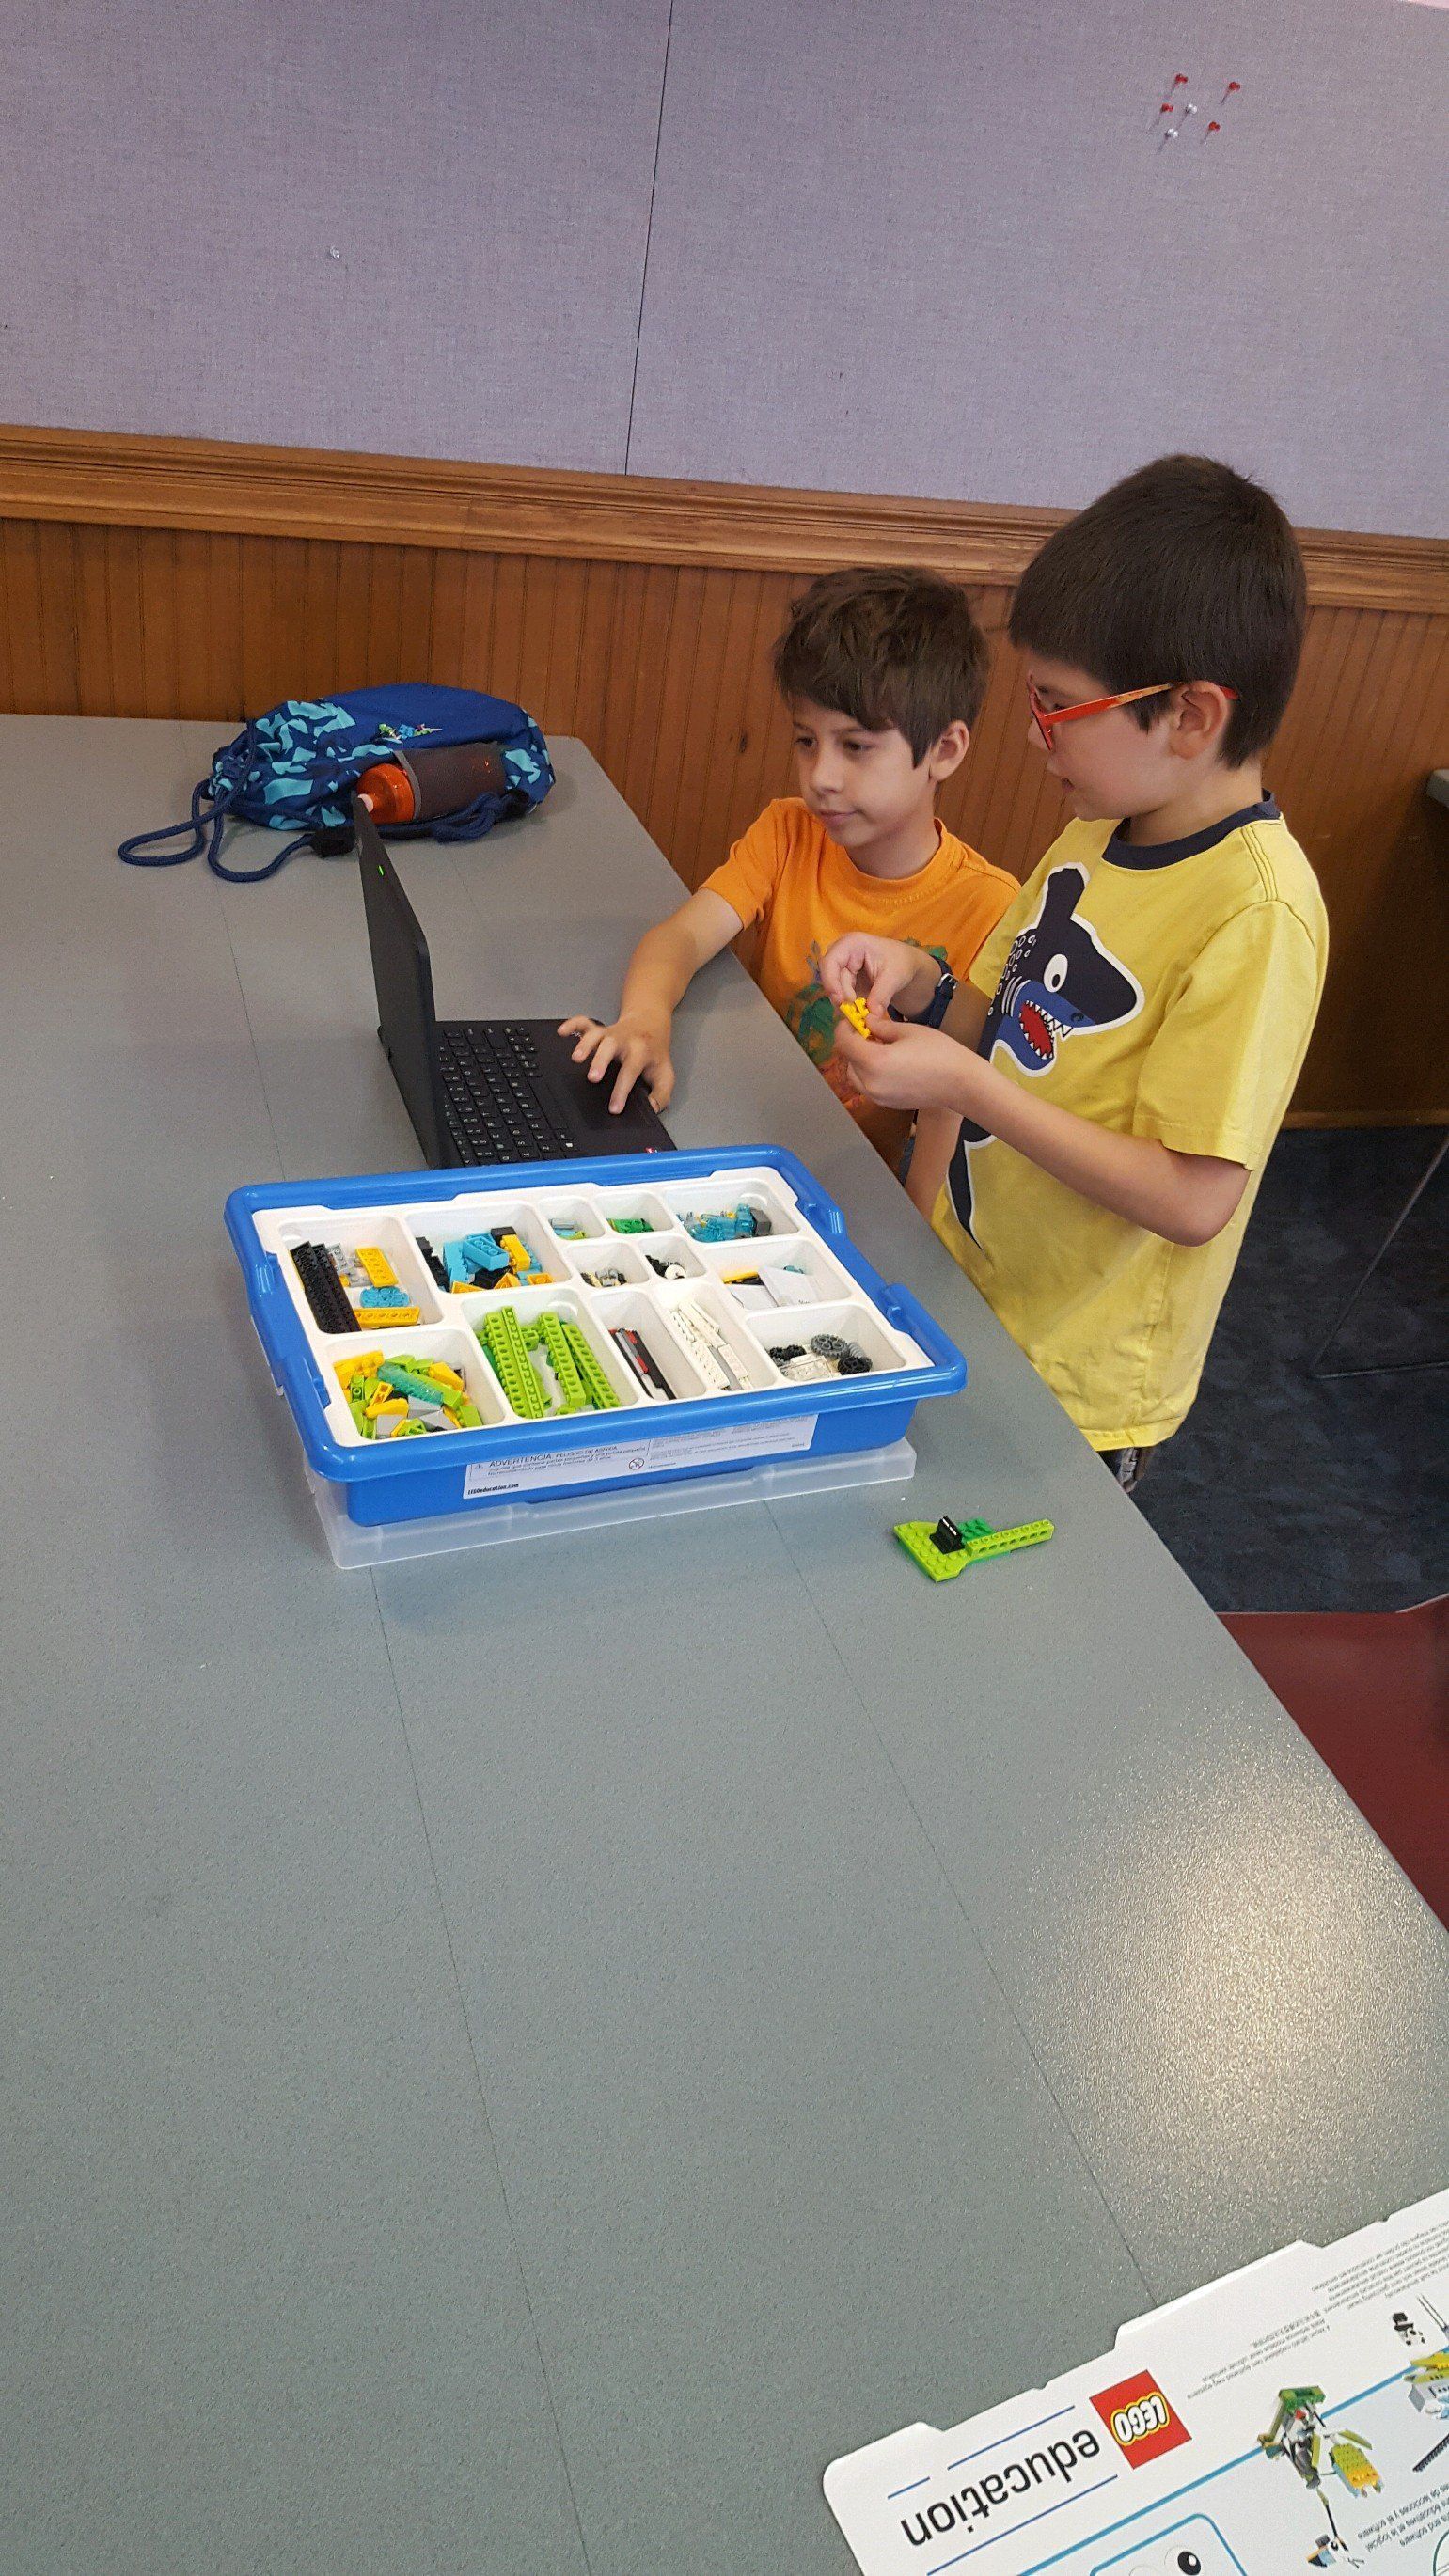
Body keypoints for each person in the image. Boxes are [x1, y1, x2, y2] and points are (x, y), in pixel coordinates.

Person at [823, 455, 1328, 1487]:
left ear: (1188, 716)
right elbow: (983, 1018)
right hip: (975, 1280)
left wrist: (965, 1090)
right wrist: (914, 984)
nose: (1033, 735)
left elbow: (1191, 1199)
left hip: (1079, 1379)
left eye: (1056, 708)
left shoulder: (1257, 913)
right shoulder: (1090, 835)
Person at [559, 566, 1017, 1171]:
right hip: (746, 1128)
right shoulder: (788, 832)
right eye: (807, 741)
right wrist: (644, 1017)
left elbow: (973, 1102)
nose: (821, 776)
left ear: (945, 751)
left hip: (862, 1182)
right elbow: (681, 937)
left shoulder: (991, 908)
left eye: (855, 746)